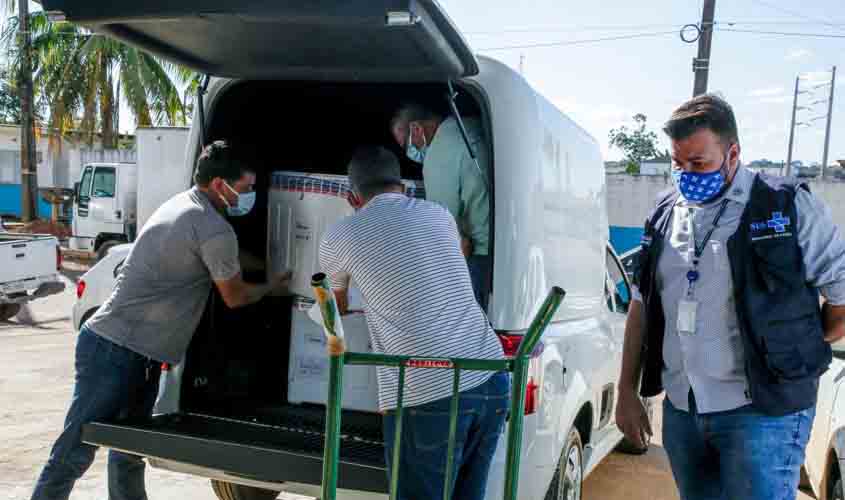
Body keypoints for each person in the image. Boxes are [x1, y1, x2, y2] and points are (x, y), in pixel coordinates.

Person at [31, 141, 292, 500]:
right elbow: (234, 295)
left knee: (128, 452)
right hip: (115, 350)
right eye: (245, 188)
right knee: (75, 452)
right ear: (220, 184)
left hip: (135, 353)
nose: (247, 195)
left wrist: (267, 264)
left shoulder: (184, 205)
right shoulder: (212, 227)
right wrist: (273, 286)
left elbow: (221, 253)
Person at [615, 94, 845, 500]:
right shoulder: (666, 212)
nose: (686, 174)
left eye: (699, 163)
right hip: (684, 411)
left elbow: (842, 293)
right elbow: (640, 304)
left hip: (762, 415)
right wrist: (626, 392)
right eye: (678, 164)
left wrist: (801, 344)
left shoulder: (787, 206)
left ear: (733, 151)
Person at [319, 146, 507, 500]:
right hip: (490, 375)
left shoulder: (340, 235)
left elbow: (335, 309)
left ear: (352, 197)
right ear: (403, 187)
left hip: (428, 389)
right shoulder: (439, 215)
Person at [390, 103, 492, 310]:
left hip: (478, 257)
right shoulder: (471, 127)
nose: (410, 152)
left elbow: (442, 228)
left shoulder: (439, 153)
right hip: (498, 247)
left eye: (406, 145)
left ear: (417, 129)